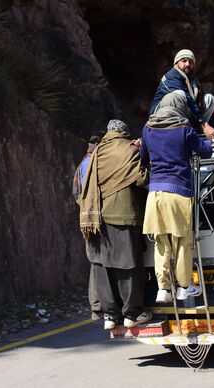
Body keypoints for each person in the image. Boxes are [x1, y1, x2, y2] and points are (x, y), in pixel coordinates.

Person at [78, 119, 152, 330]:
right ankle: (131, 314)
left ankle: (110, 315)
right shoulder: (128, 150)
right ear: (124, 133)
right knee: (129, 266)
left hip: (95, 218)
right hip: (123, 215)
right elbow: (141, 179)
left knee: (103, 267)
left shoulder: (96, 153)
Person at [140, 93, 213, 303]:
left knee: (161, 242)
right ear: (180, 107)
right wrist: (208, 139)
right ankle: (184, 286)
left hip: (155, 194)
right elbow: (204, 152)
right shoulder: (184, 129)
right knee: (182, 241)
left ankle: (163, 289)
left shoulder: (148, 129)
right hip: (179, 191)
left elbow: (143, 158)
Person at [148, 48, 214, 140]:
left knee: (209, 99)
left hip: (184, 113)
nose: (187, 64)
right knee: (180, 94)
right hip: (161, 115)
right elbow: (188, 99)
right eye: (184, 61)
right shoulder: (171, 76)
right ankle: (183, 132)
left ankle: (196, 131)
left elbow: (199, 105)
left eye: (190, 62)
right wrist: (204, 124)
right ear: (176, 63)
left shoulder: (193, 81)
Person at [72, 135, 103, 320]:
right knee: (101, 262)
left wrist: (85, 208)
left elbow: (76, 194)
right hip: (98, 219)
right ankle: (101, 304)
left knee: (94, 262)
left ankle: (96, 305)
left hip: (86, 220)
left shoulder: (81, 165)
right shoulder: (95, 164)